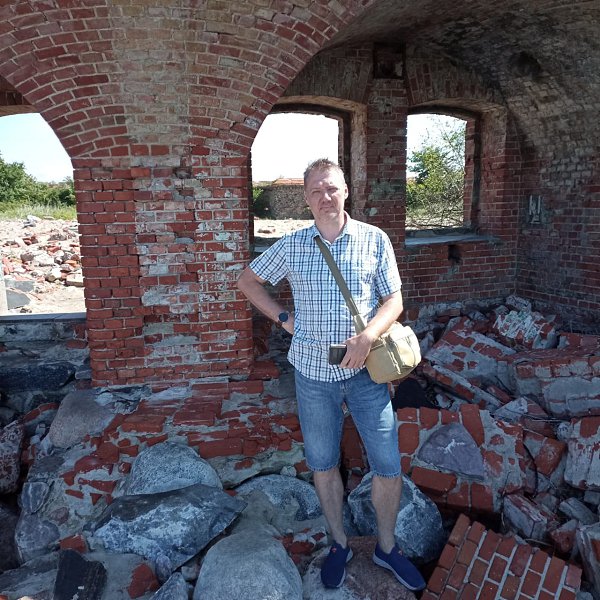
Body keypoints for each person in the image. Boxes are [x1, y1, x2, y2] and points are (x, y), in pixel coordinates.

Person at [237, 158, 425, 591]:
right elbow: (247, 281)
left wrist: (367, 337)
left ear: (346, 191)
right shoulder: (294, 244)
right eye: (316, 191)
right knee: (323, 464)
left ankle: (387, 547)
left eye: (332, 188)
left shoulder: (374, 239)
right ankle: (339, 543)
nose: (326, 197)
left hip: (366, 374)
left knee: (387, 465)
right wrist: (285, 320)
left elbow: (394, 300)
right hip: (312, 374)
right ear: (306, 199)